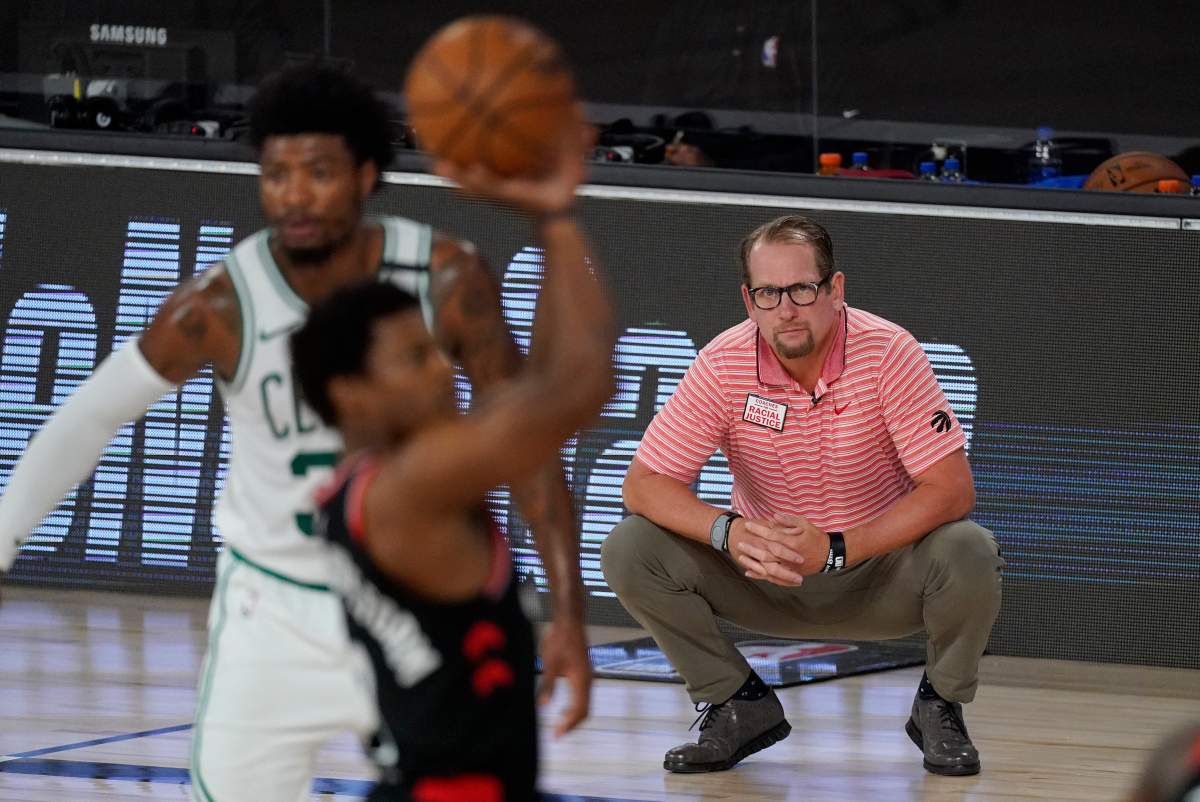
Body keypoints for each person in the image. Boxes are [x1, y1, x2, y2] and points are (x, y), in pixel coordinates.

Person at [0, 62, 593, 801]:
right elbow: (90, 415)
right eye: (275, 174)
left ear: (366, 172)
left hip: (412, 604)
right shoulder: (219, 303)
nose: (293, 194)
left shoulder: (446, 279)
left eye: (317, 171)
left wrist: (568, 611)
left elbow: (527, 441)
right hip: (271, 609)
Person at [601, 214, 1004, 777]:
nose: (786, 309)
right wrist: (731, 531)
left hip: (880, 575)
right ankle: (737, 703)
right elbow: (643, 483)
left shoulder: (890, 352)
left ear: (835, 290)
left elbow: (951, 490)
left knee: (969, 548)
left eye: (801, 289)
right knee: (629, 547)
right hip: (768, 575)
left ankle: (940, 704)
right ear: (749, 299)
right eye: (768, 292)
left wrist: (838, 548)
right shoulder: (724, 362)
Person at [289, 130, 613, 798]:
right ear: (352, 394)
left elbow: (537, 396)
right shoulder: (415, 484)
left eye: (436, 349)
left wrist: (561, 621)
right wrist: (553, 218)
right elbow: (580, 383)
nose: (445, 369)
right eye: (415, 359)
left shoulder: (354, 485)